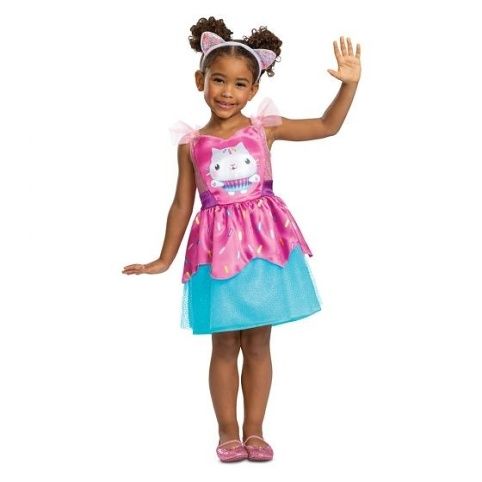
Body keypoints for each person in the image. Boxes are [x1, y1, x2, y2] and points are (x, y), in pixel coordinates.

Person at [122, 16, 361, 463]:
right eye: (218, 80)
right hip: (216, 253)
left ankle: (255, 431)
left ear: (253, 89)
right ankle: (227, 432)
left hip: (263, 249)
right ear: (200, 81)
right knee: (224, 344)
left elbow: (327, 125)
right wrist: (163, 259)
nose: (227, 92)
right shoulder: (191, 143)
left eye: (239, 84)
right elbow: (182, 204)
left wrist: (349, 85)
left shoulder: (264, 129)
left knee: (257, 343)